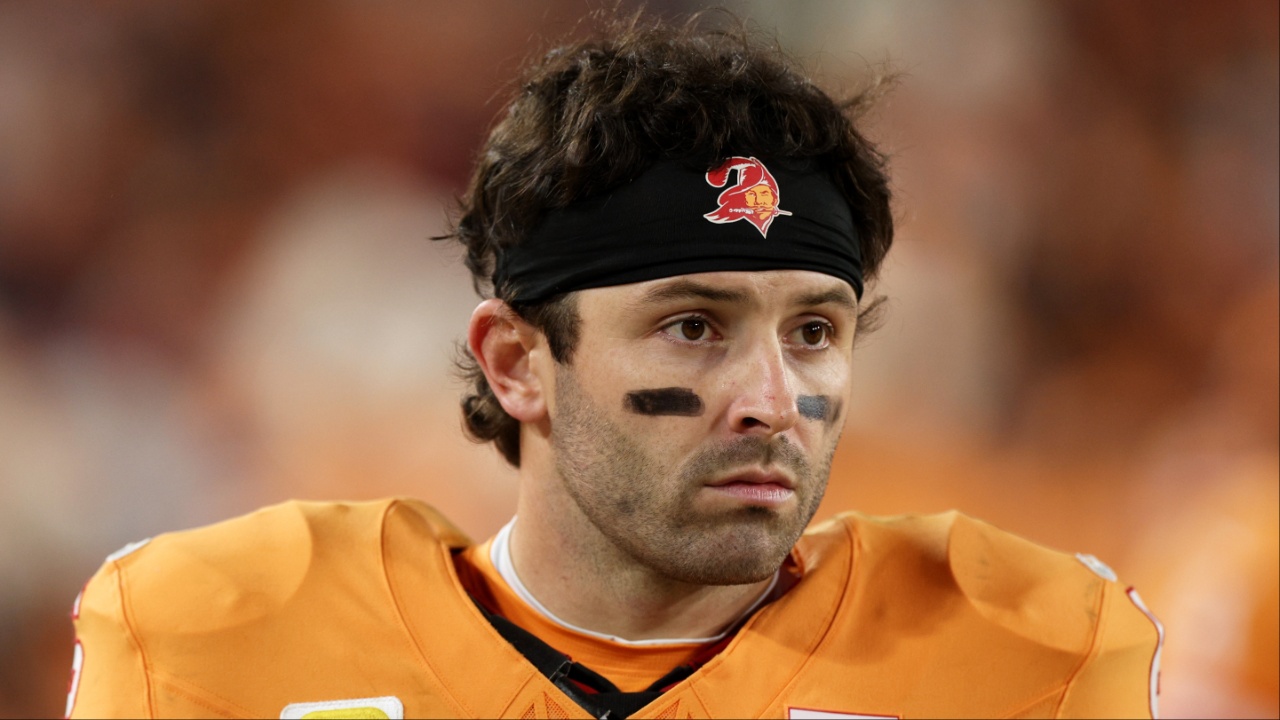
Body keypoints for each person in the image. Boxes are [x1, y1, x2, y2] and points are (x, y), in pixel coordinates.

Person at [67, 15, 1163, 720]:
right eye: (693, 325)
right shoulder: (214, 641)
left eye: (813, 332)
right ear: (516, 362)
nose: (772, 402)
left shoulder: (1023, 656)